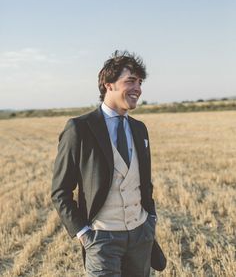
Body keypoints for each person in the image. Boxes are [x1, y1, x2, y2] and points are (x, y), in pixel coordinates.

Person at [51, 50, 166, 276]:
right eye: (130, 81)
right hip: (101, 238)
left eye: (140, 82)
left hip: (141, 234)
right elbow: (60, 191)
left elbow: (144, 182)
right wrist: (83, 232)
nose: (138, 88)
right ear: (108, 84)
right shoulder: (79, 128)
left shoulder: (139, 128)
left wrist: (150, 220)